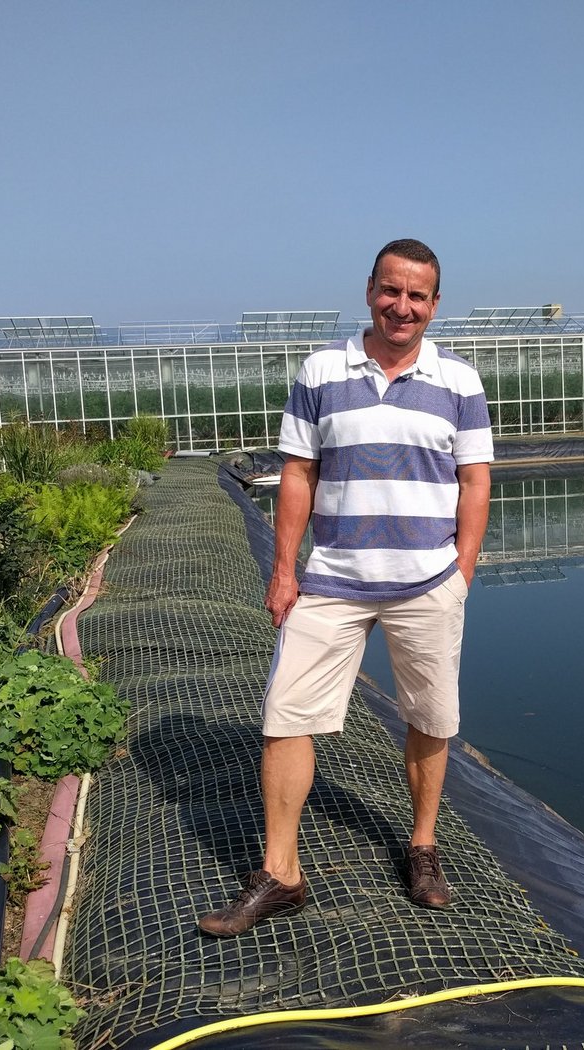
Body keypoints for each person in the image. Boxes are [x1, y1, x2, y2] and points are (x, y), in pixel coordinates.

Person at [198, 238, 493, 937]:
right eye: (392, 291)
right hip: (332, 578)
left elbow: (474, 480)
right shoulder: (323, 370)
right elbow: (297, 472)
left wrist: (462, 572)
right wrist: (282, 568)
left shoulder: (460, 382)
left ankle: (422, 848)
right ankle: (281, 874)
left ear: (434, 305)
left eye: (417, 296)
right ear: (369, 291)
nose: (403, 306)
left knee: (431, 717)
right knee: (285, 714)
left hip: (426, 580)